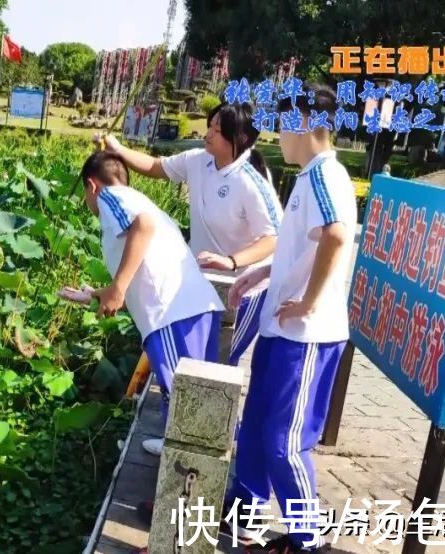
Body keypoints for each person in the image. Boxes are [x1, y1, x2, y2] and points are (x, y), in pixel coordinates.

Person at [224, 84, 356, 553]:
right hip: (282, 332)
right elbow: (301, 248)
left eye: (282, 125)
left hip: (305, 337)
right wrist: (259, 272)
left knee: (284, 441)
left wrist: (308, 304)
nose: (277, 136)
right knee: (257, 425)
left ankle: (309, 540)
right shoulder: (307, 178)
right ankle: (243, 512)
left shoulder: (326, 176)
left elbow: (337, 237)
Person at [96, 101, 282, 367]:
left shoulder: (250, 182)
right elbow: (155, 166)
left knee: (219, 363)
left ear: (238, 138)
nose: (208, 133)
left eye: (217, 130)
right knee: (196, 361)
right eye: (210, 126)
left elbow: (273, 238)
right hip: (203, 277)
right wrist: (117, 149)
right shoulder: (199, 160)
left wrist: (231, 261)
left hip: (244, 285)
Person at [64, 151, 224, 457]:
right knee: (197, 398)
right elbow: (141, 267)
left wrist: (118, 288)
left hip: (172, 314)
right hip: (190, 308)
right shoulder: (135, 199)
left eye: (85, 195)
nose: (87, 202)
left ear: (91, 185)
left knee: (189, 402)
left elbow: (144, 226)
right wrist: (100, 293)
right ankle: (181, 454)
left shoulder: (111, 196)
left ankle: (190, 479)